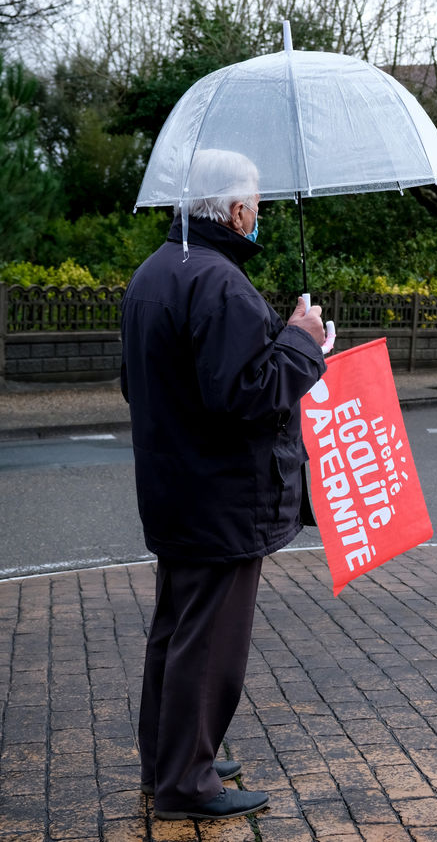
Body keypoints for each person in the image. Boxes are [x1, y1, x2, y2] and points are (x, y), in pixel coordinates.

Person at [120, 148, 327, 821]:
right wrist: (302, 341)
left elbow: (140, 383)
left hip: (176, 487)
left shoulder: (156, 272)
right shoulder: (221, 283)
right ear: (236, 211)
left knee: (176, 631)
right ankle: (187, 782)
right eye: (256, 206)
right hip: (223, 496)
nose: (258, 215)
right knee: (209, 643)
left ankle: (168, 759)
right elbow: (249, 393)